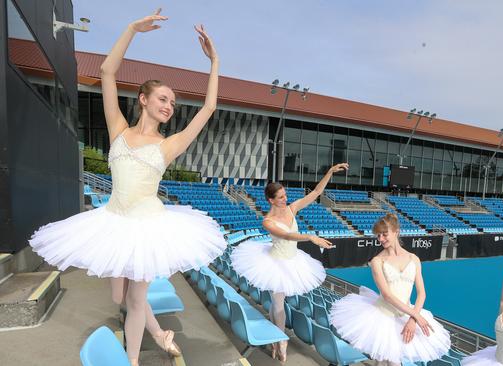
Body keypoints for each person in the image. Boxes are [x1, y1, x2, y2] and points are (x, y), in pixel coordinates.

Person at [29, 9, 226, 366]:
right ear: (143, 98)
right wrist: (132, 29)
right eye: (164, 99)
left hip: (146, 226)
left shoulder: (169, 145)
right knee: (120, 294)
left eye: (173, 103)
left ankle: (132, 360)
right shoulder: (118, 128)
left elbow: (209, 107)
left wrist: (214, 62)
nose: (169, 106)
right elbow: (107, 72)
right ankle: (159, 332)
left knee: (136, 299)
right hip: (115, 220)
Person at [230, 163, 348, 362]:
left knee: (277, 304)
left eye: (285, 195)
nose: (286, 199)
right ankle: (281, 340)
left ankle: (277, 339)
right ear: (271, 200)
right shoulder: (267, 221)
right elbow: (287, 235)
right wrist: (310, 237)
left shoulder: (292, 208)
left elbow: (317, 192)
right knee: (278, 305)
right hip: (275, 262)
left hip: (292, 260)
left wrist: (328, 172)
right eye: (281, 197)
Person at [329, 213, 451, 366]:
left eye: (384, 234)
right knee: (388, 363)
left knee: (391, 362)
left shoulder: (414, 259)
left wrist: (413, 320)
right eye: (378, 235)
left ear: (396, 232)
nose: (380, 239)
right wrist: (416, 315)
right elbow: (387, 295)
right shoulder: (377, 261)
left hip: (406, 316)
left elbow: (421, 293)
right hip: (383, 316)